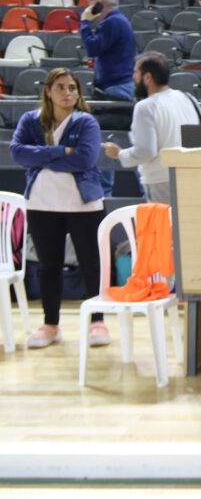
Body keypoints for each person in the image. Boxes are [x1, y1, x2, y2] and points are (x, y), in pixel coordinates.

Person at [10, 68, 110, 350]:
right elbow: (18, 152)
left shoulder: (86, 122)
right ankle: (50, 324)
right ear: (48, 92)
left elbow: (85, 159)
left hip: (83, 204)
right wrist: (60, 151)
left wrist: (41, 156)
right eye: (60, 87)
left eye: (72, 88)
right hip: (42, 203)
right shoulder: (31, 120)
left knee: (91, 264)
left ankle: (97, 321)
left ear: (79, 93)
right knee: (48, 266)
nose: (67, 93)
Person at [101, 52, 201, 204]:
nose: (133, 77)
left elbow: (146, 151)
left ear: (148, 78)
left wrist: (119, 154)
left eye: (136, 72)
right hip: (191, 177)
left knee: (165, 227)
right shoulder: (187, 98)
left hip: (161, 181)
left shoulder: (145, 107)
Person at [79, 0, 134, 101]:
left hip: (117, 87)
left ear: (98, 3)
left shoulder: (112, 22)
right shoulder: (117, 19)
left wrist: (85, 22)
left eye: (90, 2)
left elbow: (92, 49)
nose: (88, 6)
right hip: (117, 85)